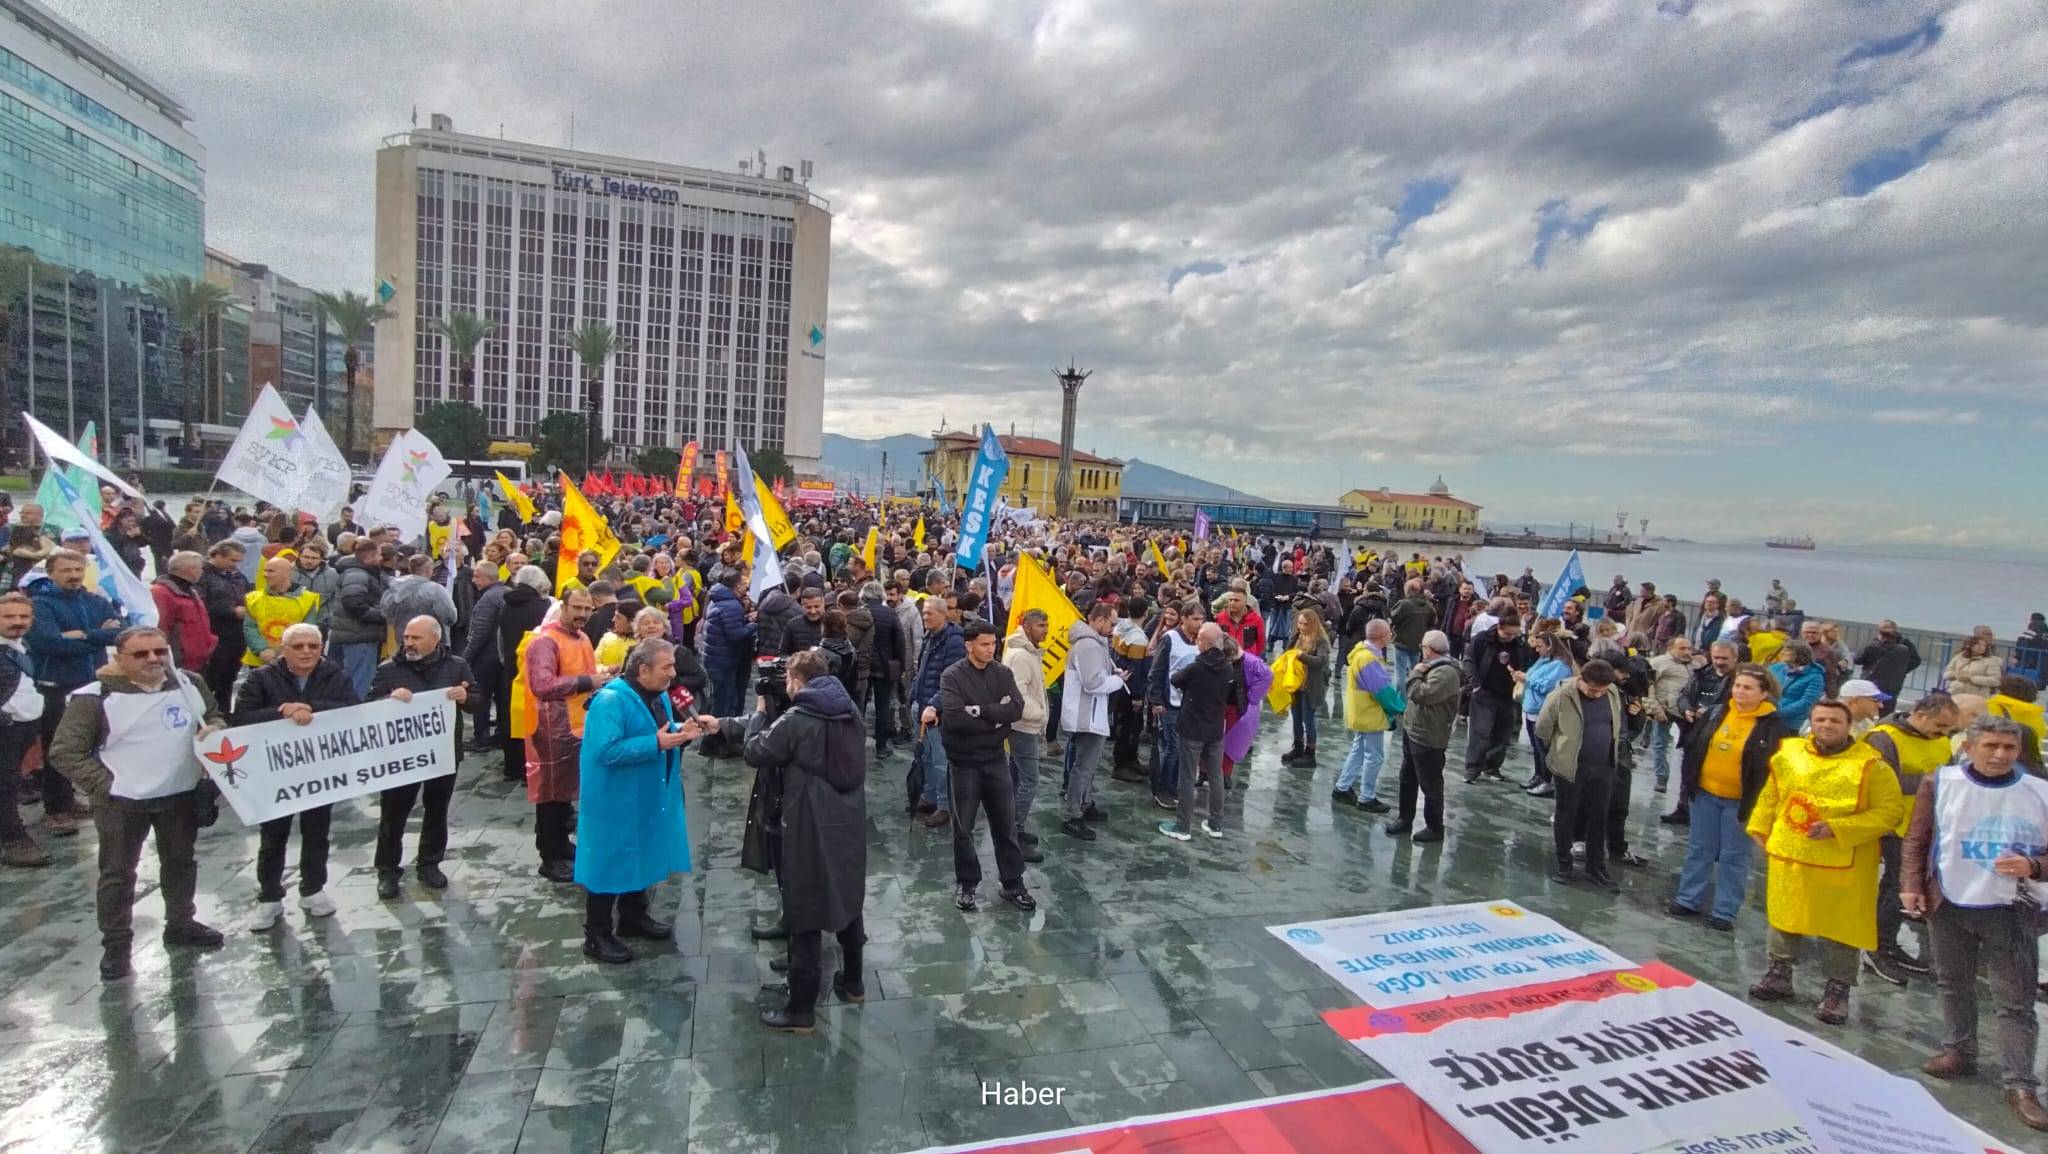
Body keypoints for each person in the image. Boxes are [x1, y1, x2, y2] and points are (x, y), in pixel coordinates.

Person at [49, 626, 227, 980]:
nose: (153, 660)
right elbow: (65, 752)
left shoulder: (188, 683)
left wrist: (215, 731)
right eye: (141, 654)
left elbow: (214, 715)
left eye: (160, 652)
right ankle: (116, 946)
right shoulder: (94, 697)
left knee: (180, 861)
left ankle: (181, 922)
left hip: (178, 794)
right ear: (120, 659)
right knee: (117, 873)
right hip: (122, 803)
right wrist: (109, 786)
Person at [1899, 715, 2048, 1133]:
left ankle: (2020, 1083)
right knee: (1952, 982)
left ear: (2019, 750)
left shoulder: (2040, 791)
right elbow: (1918, 837)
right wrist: (1911, 884)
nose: (2000, 754)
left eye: (2009, 747)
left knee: (2014, 1001)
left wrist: (2034, 865)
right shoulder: (1940, 782)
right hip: (1949, 900)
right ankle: (1959, 1051)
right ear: (1969, 746)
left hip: (2010, 909)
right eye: (1991, 746)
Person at [705, 648, 867, 1031]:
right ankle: (854, 983)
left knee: (805, 913)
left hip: (808, 823)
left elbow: (757, 750)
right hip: (847, 820)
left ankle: (801, 1010)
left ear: (797, 683)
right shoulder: (850, 710)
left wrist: (761, 708)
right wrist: (727, 723)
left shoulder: (798, 718)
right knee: (847, 899)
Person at [1746, 699, 1905, 1025]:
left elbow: (1889, 813)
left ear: (1849, 726)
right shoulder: (1789, 755)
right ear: (1811, 722)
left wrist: (1838, 828)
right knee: (1785, 915)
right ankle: (1779, 973)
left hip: (1845, 860)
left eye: (1834, 720)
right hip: (1792, 853)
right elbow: (1772, 794)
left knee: (1842, 928)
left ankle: (1837, 990)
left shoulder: (1871, 765)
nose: (1826, 725)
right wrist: (1760, 826)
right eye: (1820, 719)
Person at [232, 622, 361, 930]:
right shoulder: (261, 678)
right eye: (299, 646)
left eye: (313, 647)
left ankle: (313, 889)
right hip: (275, 775)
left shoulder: (334, 675)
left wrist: (309, 708)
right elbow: (241, 718)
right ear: (284, 649)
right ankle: (270, 897)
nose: (306, 652)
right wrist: (283, 712)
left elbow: (352, 709)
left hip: (319, 771)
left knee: (317, 832)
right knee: (273, 836)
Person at [573, 638, 692, 965]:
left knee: (640, 851)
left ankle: (632, 916)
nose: (673, 672)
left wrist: (685, 730)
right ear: (643, 670)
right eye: (667, 667)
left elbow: (663, 730)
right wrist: (656, 743)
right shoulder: (610, 702)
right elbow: (606, 751)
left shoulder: (659, 695)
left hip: (645, 794)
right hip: (614, 800)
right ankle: (596, 934)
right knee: (609, 861)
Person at [369, 616, 481, 899]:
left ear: (435, 639)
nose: (408, 643)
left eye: (415, 638)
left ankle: (430, 863)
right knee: (393, 814)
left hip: (442, 754)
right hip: (401, 757)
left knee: (437, 810)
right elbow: (368, 706)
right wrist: (388, 699)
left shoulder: (456, 666)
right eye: (406, 637)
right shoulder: (389, 669)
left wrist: (465, 698)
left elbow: (479, 701)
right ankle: (387, 869)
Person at [1669, 665, 1785, 931]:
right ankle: (1688, 898)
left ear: (1764, 693)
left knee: (1735, 856)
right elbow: (1695, 745)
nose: (1740, 692)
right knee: (1700, 848)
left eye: (1748, 688)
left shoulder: (1774, 725)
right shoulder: (1717, 712)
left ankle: (1725, 910)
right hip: (1706, 794)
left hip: (1742, 802)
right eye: (1737, 686)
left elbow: (1775, 767)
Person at [1860, 690, 1962, 986]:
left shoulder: (1940, 740)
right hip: (1895, 825)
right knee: (1895, 885)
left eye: (1948, 729)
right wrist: (1934, 781)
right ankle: (1876, 947)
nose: (1943, 733)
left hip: (1928, 826)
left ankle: (1888, 942)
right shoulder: (1883, 737)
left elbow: (1953, 775)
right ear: (1920, 714)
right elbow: (1883, 780)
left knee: (1908, 886)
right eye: (1940, 726)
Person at [934, 620, 1034, 912]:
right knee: (963, 828)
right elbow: (954, 719)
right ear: (969, 645)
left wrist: (979, 712)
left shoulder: (1003, 673)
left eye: (993, 644)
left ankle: (1013, 883)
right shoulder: (952, 676)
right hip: (963, 763)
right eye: (984, 644)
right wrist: (996, 718)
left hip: (995, 760)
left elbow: (1016, 709)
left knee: (1005, 825)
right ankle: (967, 883)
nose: (991, 649)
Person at [24, 549, 122, 836]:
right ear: (51, 573)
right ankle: (56, 808)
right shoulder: (41, 605)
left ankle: (70, 797)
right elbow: (50, 643)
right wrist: (97, 635)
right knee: (60, 745)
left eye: (78, 570)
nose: (73, 576)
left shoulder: (95, 600)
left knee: (90, 742)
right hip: (57, 683)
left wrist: (83, 634)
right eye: (66, 570)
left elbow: (121, 632)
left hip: (92, 682)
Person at [524, 587, 611, 883]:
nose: (583, 615)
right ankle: (550, 856)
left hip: (576, 726)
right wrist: (589, 680)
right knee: (549, 795)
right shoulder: (545, 641)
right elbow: (543, 685)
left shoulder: (582, 637)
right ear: (563, 606)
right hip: (549, 729)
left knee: (564, 793)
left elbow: (581, 673)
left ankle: (561, 844)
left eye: (588, 609)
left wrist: (599, 674)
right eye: (577, 608)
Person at [1538, 658, 1626, 892]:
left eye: (1602, 691)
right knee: (1566, 815)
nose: (1597, 695)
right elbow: (1543, 729)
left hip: (1604, 767)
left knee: (1599, 817)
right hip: (1572, 768)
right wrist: (1558, 756)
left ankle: (1595, 866)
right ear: (1582, 680)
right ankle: (1563, 863)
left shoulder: (1613, 693)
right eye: (1593, 689)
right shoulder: (1561, 696)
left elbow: (1616, 723)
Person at [1160, 623, 1243, 842]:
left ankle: (1183, 826)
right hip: (1215, 729)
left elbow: (1175, 680)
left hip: (1192, 728)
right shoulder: (1227, 668)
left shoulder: (1197, 667)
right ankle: (1216, 823)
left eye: (1198, 640)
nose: (1196, 642)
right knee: (1216, 776)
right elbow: (1233, 696)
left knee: (1187, 777)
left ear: (1206, 643)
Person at [1058, 601, 1126, 839]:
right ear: (1098, 620)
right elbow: (1093, 683)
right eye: (1111, 623)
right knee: (1083, 768)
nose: (1113, 628)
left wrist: (1111, 673)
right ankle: (1072, 815)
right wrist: (1117, 682)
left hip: (1088, 713)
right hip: (1085, 715)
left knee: (1086, 766)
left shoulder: (1093, 643)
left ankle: (1084, 803)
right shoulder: (1088, 645)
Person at [1389, 630, 1459, 842]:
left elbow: (1419, 694)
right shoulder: (1434, 667)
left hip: (1430, 735)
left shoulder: (1446, 673)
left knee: (1430, 783)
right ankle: (1404, 818)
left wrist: (1416, 673)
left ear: (1428, 649)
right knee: (1407, 777)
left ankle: (1435, 826)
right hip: (1414, 730)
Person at [1334, 618, 1404, 812]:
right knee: (1374, 756)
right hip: (1369, 713)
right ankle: (1367, 797)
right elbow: (1382, 690)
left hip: (1360, 711)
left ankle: (1343, 786)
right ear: (1383, 636)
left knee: (1358, 750)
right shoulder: (1368, 659)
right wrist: (1399, 707)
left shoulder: (1360, 653)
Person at [0, 594, 49, 867]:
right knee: (4, 786)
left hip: (23, 727)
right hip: (6, 728)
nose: (17, 622)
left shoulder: (20, 646)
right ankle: (12, 840)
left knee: (11, 783)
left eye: (23, 617)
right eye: (9, 617)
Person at [1000, 609, 1050, 858]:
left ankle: (1010, 827)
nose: (1046, 630)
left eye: (1047, 625)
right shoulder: (1020, 655)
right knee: (1029, 780)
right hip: (1023, 727)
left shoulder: (1028, 651)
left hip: (1024, 725)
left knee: (1016, 778)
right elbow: (1017, 695)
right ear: (1028, 627)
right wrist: (1039, 715)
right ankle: (1013, 832)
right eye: (1041, 625)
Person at [496, 565, 553, 783]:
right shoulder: (544, 606)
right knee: (534, 719)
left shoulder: (505, 605)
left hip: (511, 667)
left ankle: (512, 767)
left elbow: (500, 638)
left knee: (511, 717)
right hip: (537, 668)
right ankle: (533, 768)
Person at [911, 597, 964, 826]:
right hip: (922, 705)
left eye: (929, 613)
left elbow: (952, 681)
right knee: (927, 757)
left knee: (941, 761)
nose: (925, 617)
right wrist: (913, 692)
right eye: (924, 613)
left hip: (939, 711)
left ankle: (944, 806)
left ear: (944, 614)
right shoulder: (929, 636)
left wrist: (935, 705)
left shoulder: (954, 642)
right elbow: (922, 668)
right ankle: (929, 796)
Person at [1462, 610, 1531, 784]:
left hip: (1508, 695)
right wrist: (1475, 685)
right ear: (1499, 627)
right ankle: (1472, 769)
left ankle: (1492, 767)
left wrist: (1520, 675)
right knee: (1480, 732)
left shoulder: (1519, 643)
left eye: (1515, 633)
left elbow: (1526, 662)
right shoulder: (1482, 639)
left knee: (1502, 734)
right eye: (1508, 633)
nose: (1511, 637)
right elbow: (1469, 661)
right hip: (1484, 692)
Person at [1516, 629, 1578, 798]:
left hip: (1543, 711)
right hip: (1532, 708)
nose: (1537, 650)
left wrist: (1527, 679)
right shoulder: (1543, 661)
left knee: (1543, 748)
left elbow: (1549, 686)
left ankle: (1546, 780)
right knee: (1536, 748)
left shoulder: (1561, 666)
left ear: (1550, 647)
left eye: (1540, 646)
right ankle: (1538, 775)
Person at [329, 538, 390, 698]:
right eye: (378, 555)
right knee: (358, 685)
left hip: (353, 635)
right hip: (358, 637)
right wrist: (382, 615)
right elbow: (353, 603)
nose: (381, 559)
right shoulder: (357, 574)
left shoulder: (358, 573)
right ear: (369, 557)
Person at [243, 555, 321, 670]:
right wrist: (262, 649)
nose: (265, 574)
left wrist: (280, 652)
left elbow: (306, 631)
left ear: (286, 574)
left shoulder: (308, 599)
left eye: (271, 571)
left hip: (292, 661)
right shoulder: (253, 598)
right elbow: (250, 628)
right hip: (259, 660)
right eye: (265, 570)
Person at [462, 561, 507, 747]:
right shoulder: (507, 593)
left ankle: (481, 738)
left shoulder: (488, 599)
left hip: (486, 658)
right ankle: (501, 735)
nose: (473, 580)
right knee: (502, 698)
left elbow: (478, 632)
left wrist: (465, 659)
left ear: (488, 577)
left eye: (476, 576)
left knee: (482, 697)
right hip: (503, 658)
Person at [1282, 608, 1332, 768]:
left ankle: (1310, 753)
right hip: (1296, 684)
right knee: (1296, 718)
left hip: (1311, 686)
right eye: (1299, 623)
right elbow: (1287, 652)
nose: (1301, 626)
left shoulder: (1320, 641)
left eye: (1304, 624)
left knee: (1308, 719)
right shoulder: (1297, 636)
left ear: (1312, 624)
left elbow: (1321, 661)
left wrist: (1301, 656)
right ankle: (1297, 747)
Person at [1645, 638, 1694, 793]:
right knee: (1661, 744)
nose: (1687, 652)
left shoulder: (1694, 665)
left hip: (1686, 711)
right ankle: (1661, 777)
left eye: (1689, 648)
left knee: (1690, 747)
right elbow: (1647, 686)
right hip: (1664, 708)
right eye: (1682, 648)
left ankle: (1687, 783)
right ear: (1671, 648)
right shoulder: (1659, 663)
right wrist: (1655, 708)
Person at [1767, 639, 1825, 734]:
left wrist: (1779, 714)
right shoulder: (1775, 668)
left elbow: (1806, 702)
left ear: (1800, 654)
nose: (1782, 653)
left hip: (1792, 724)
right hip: (1768, 719)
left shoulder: (1815, 676)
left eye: (1787, 650)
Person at [1856, 621, 1921, 702]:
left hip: (1883, 681)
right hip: (1881, 681)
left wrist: (1901, 669)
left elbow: (1916, 660)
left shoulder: (1904, 644)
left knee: (1880, 705)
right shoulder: (1874, 644)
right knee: (1876, 705)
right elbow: (1858, 659)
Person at [1388, 578, 1433, 687]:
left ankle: (1400, 701)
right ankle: (1413, 697)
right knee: (1415, 673)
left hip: (1401, 642)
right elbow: (1432, 622)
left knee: (1400, 674)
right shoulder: (1428, 606)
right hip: (1418, 643)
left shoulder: (1403, 604)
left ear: (1407, 591)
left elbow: (1392, 619)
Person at [1943, 634, 2002, 698]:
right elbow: (1945, 674)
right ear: (1969, 645)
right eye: (1978, 644)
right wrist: (1954, 674)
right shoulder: (1959, 657)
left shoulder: (1990, 661)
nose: (1981, 647)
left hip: (1976, 697)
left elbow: (1996, 681)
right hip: (1954, 693)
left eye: (1984, 645)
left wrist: (1972, 678)